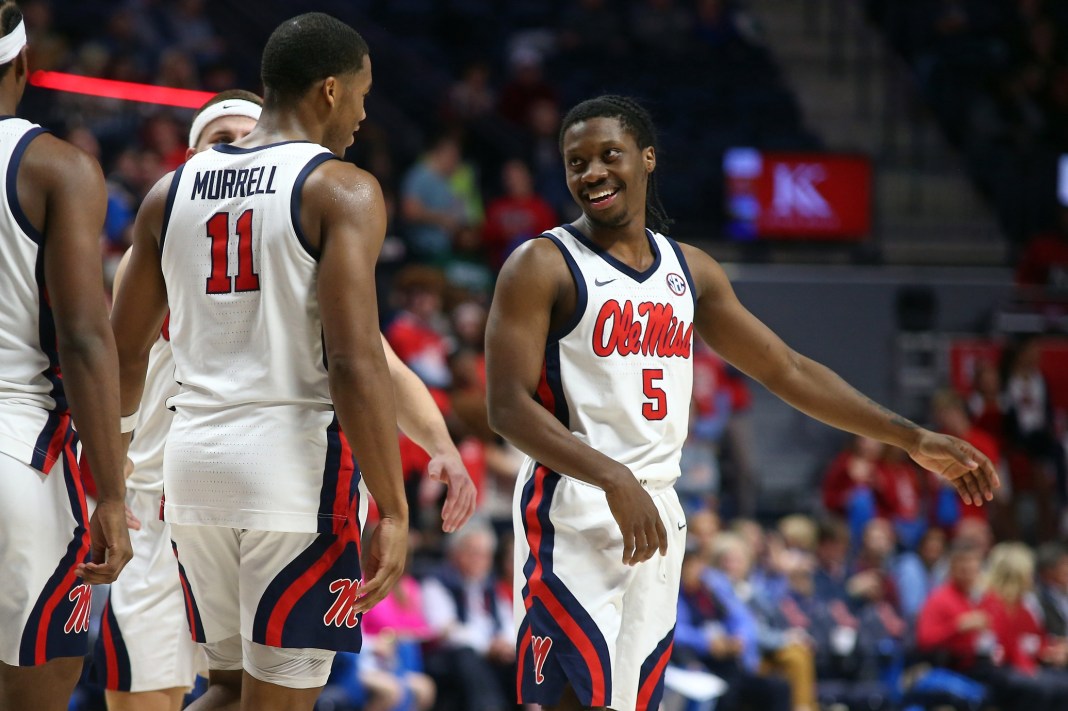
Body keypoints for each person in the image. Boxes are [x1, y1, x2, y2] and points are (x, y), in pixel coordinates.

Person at [485, 94, 999, 711]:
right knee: (569, 699)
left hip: (656, 504)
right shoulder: (542, 263)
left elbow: (787, 369)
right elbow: (507, 408)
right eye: (576, 162)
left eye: (608, 155)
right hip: (573, 501)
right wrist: (611, 477)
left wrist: (912, 438)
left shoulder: (690, 270)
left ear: (647, 159)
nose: (591, 172)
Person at [97, 90, 476, 711]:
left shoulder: (262, 236)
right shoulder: (166, 241)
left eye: (247, 137)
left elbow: (377, 358)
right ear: (194, 157)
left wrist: (440, 445)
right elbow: (117, 359)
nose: (239, 153)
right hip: (156, 507)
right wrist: (106, 485)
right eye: (221, 142)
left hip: (199, 483)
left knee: (230, 689)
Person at [0, 4, 133, 710]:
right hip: (17, 450)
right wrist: (111, 493)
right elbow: (84, 336)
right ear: (23, 64)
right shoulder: (57, 166)